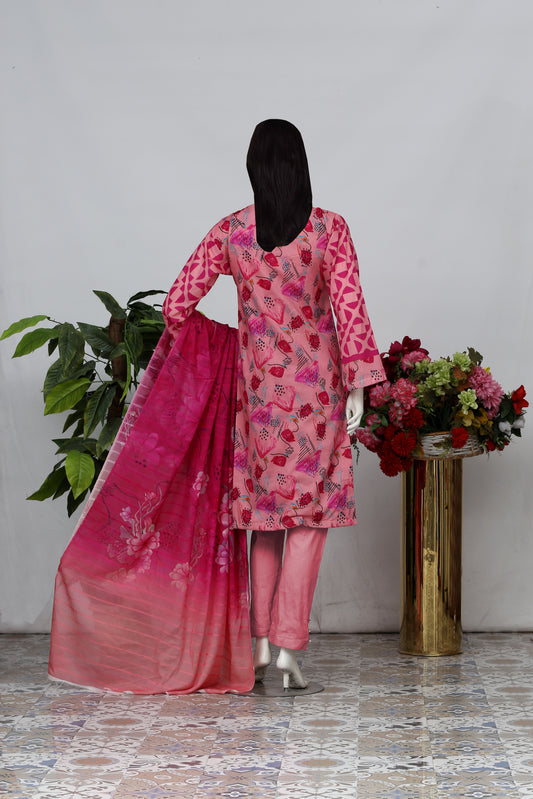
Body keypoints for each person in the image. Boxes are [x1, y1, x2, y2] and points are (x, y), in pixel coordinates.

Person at [162, 119, 385, 689]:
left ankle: (259, 644)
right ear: (300, 166)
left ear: (254, 169)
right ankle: (288, 647)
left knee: (264, 521)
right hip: (318, 396)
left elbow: (175, 305)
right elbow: (350, 310)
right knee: (310, 519)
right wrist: (359, 387)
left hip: (259, 397)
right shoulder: (329, 230)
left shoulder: (232, 232)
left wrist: (225, 348)